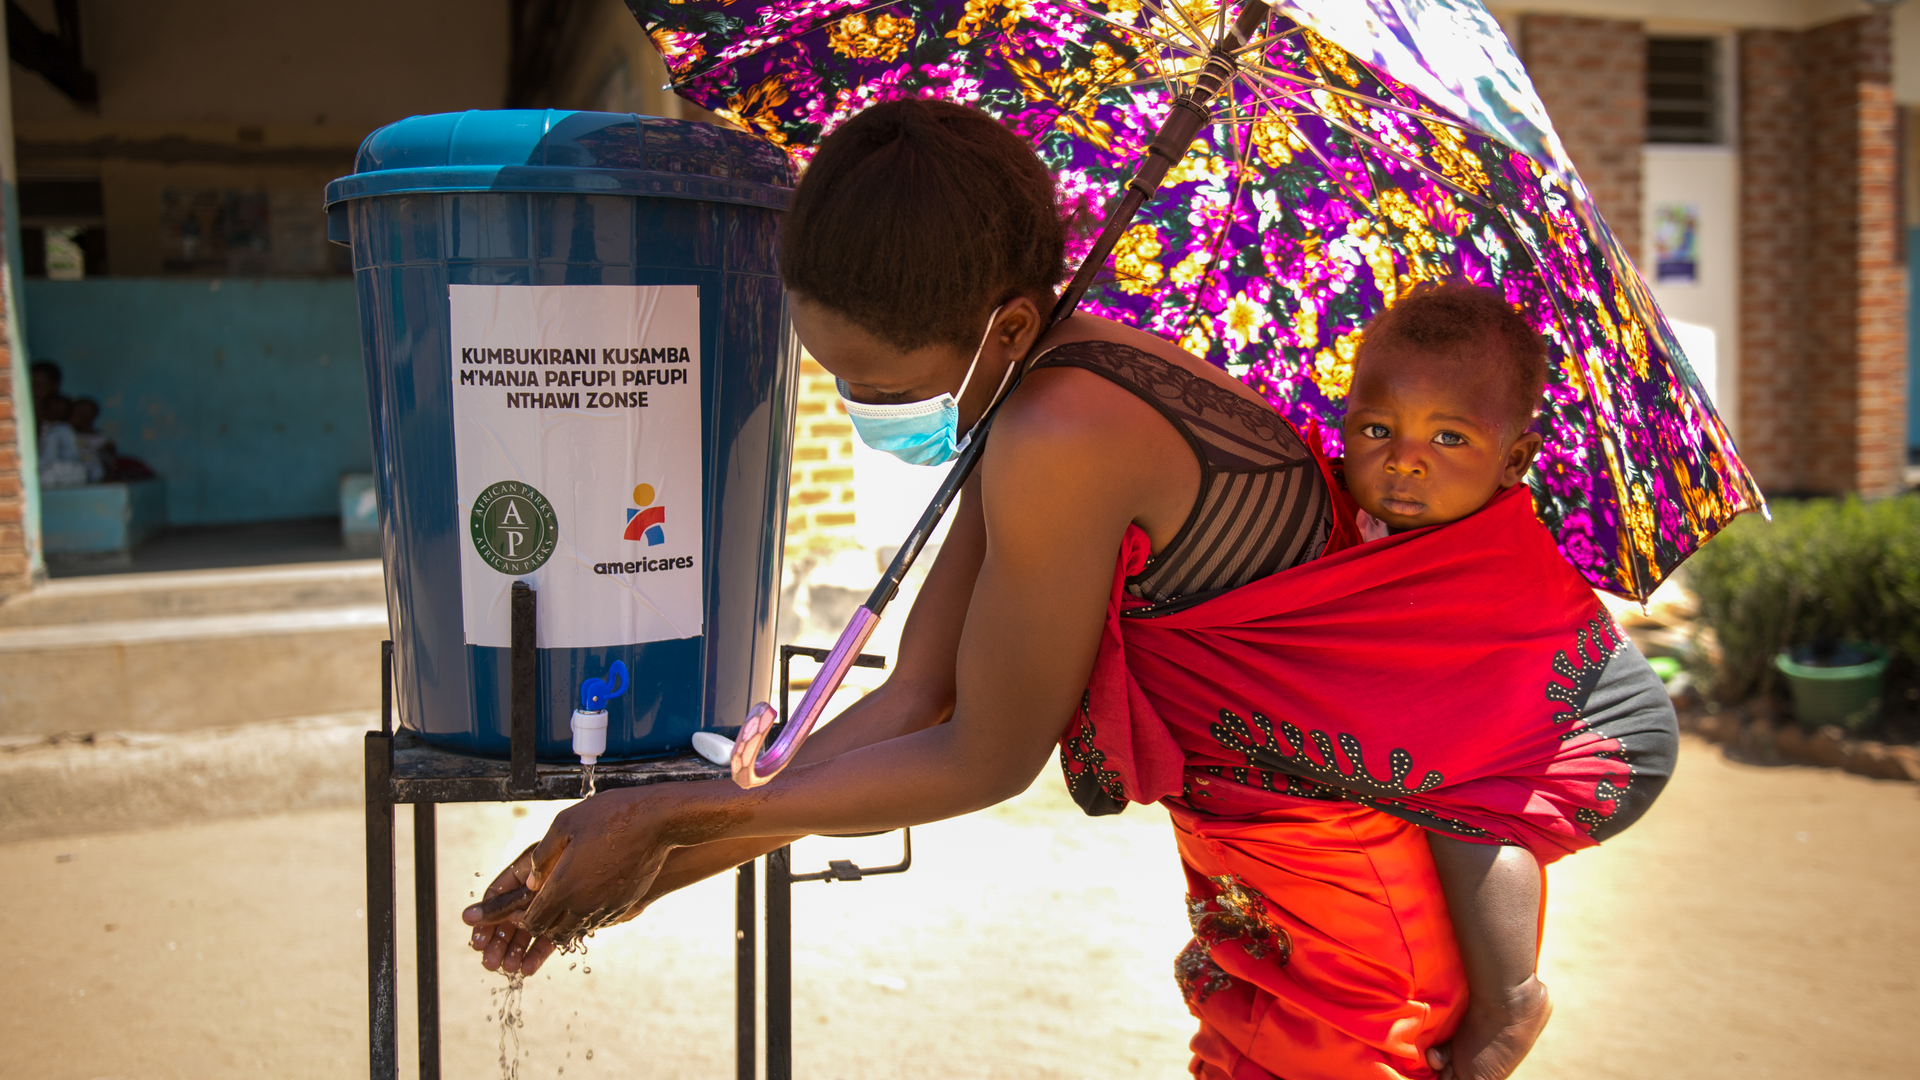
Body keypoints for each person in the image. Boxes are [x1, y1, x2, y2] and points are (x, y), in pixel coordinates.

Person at [463, 101, 1675, 1080]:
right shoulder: (1047, 392)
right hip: (1271, 878)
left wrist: (659, 824)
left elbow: (983, 755)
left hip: (1350, 892)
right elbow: (915, 698)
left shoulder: (1059, 432)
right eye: (833, 374)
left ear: (1008, 326)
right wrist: (647, 857)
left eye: (884, 384)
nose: (863, 407)